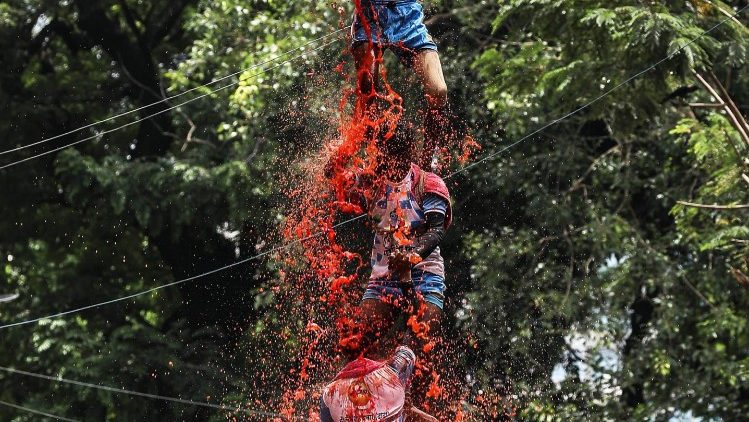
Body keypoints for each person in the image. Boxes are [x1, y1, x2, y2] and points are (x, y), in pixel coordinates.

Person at [351, 0, 454, 169]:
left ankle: (427, 165)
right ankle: (368, 159)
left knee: (439, 90)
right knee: (368, 93)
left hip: (406, 13)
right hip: (369, 14)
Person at [320, 345, 438, 422]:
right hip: (336, 396)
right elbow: (405, 354)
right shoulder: (392, 391)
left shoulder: (391, 387)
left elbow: (405, 354)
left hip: (333, 394)